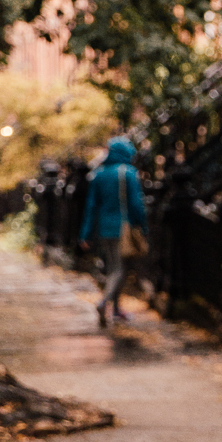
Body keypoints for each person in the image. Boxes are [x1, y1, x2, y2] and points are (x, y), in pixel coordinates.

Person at [78, 136, 148, 327]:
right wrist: (143, 226)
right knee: (119, 270)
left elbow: (91, 207)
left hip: (104, 229)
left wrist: (85, 234)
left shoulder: (99, 174)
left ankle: (116, 310)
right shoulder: (129, 173)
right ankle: (104, 303)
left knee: (112, 268)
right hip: (123, 229)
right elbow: (136, 204)